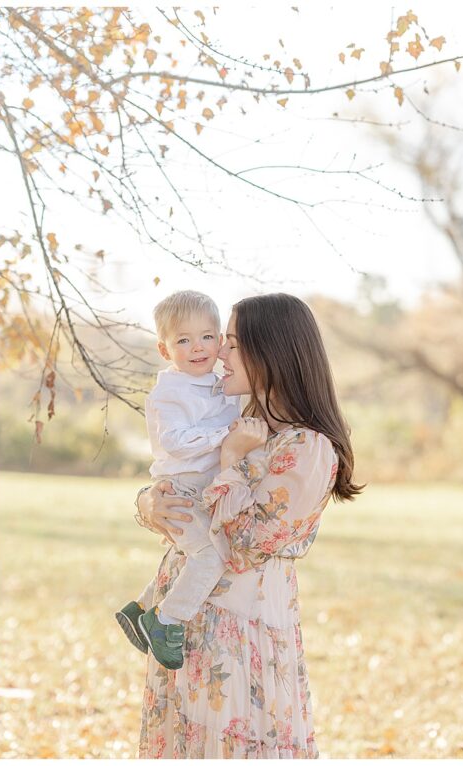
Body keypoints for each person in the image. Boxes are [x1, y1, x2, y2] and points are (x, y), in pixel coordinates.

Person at [136, 293, 362, 758]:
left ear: (269, 353)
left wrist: (231, 457)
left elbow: (239, 545)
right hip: (186, 625)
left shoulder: (307, 448)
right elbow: (181, 489)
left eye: (232, 344)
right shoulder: (241, 422)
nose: (218, 352)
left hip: (243, 633)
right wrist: (147, 503)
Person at [114, 291, 239, 669]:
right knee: (210, 555)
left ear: (219, 342)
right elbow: (174, 442)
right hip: (181, 486)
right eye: (183, 340)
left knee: (191, 552)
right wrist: (228, 435)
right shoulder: (170, 391)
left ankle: (140, 607)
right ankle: (165, 620)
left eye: (205, 337)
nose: (197, 347)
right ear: (165, 350)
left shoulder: (220, 381)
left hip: (202, 486)